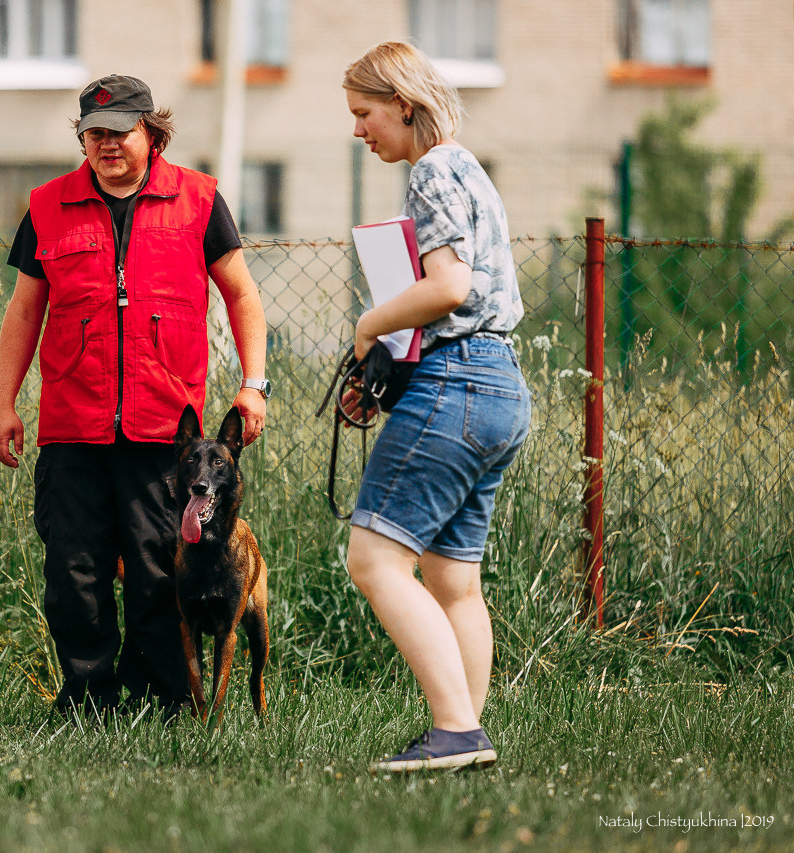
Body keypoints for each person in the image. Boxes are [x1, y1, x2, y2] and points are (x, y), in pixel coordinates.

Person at [0, 74, 270, 721]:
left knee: (155, 574)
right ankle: (89, 700)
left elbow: (243, 295)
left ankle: (161, 703)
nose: (106, 144)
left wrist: (253, 384)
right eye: (94, 133)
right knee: (73, 575)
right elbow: (24, 310)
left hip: (160, 437)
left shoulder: (198, 200)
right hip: (72, 427)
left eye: (120, 132)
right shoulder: (48, 204)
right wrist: (5, 403)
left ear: (152, 132)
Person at [340, 42, 531, 772]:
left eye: (365, 114)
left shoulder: (431, 169)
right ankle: (465, 736)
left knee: (374, 556)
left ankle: (455, 730)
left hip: (457, 379)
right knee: (453, 578)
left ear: (404, 105)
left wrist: (369, 325)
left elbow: (447, 288)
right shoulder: (472, 169)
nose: (359, 131)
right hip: (501, 384)